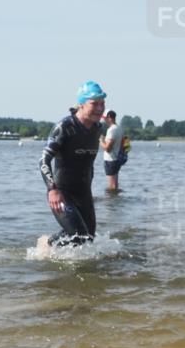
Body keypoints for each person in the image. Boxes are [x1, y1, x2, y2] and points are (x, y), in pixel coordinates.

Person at [39, 81, 106, 246]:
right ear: (81, 105)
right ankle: (48, 245)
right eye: (94, 104)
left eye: (102, 104)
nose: (99, 108)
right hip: (62, 194)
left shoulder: (97, 128)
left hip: (84, 193)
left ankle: (52, 246)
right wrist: (52, 190)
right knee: (78, 235)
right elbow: (43, 160)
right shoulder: (65, 127)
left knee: (88, 238)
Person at [100, 110, 125, 191]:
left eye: (105, 118)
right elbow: (122, 144)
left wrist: (100, 140)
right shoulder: (119, 128)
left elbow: (107, 148)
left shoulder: (111, 130)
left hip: (110, 160)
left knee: (112, 185)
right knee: (115, 184)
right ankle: (116, 201)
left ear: (109, 118)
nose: (104, 120)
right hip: (117, 158)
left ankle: (111, 202)